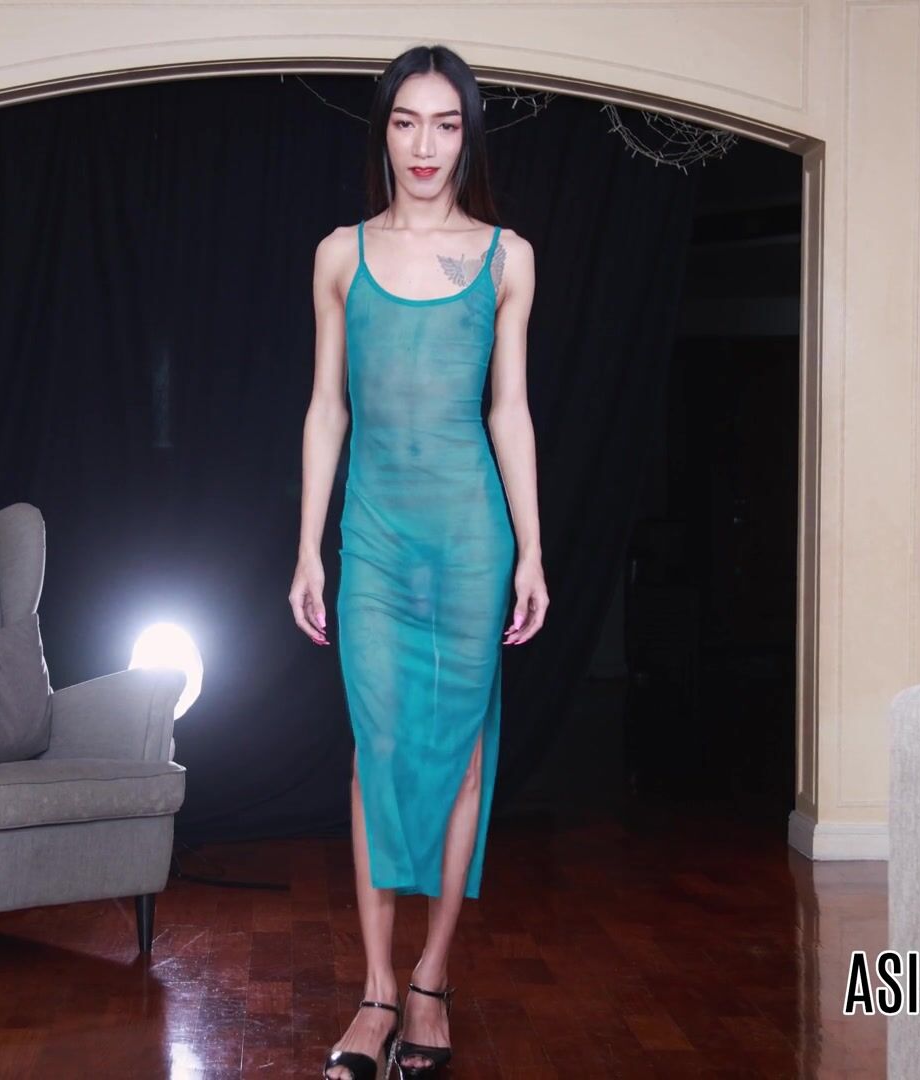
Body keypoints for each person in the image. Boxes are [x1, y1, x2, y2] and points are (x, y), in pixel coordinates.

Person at [289, 44, 547, 1080]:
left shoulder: (508, 257)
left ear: (466, 134)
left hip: (472, 536)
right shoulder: (339, 255)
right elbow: (327, 408)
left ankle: (431, 981)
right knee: (377, 749)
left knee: (463, 755)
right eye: (406, 122)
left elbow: (509, 411)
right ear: (385, 132)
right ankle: (377, 990)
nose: (425, 144)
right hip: (375, 538)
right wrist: (307, 548)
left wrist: (533, 550)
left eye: (445, 123)